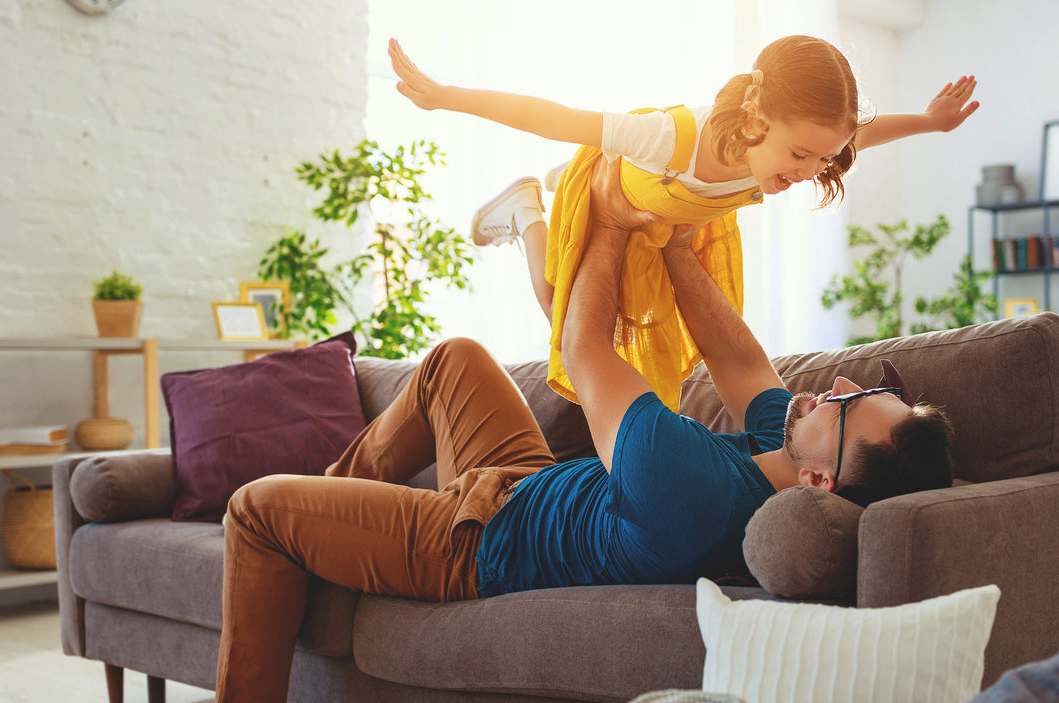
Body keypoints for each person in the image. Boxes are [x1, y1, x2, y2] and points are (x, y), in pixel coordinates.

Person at [215, 157, 955, 703]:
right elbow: (736, 356)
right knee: (452, 361)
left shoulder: (692, 490)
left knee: (254, 510)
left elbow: (584, 347)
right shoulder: (783, 449)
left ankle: (297, 533)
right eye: (861, 383)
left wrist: (609, 217)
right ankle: (327, 517)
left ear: (822, 482)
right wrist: (672, 242)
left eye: (852, 404)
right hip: (525, 482)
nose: (838, 386)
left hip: (473, 542)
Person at [389, 36, 979, 410]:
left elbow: (862, 136)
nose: (809, 171)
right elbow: (553, 115)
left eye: (823, 160)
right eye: (800, 155)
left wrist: (929, 121)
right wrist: (446, 96)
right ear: (754, 117)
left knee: (686, 334)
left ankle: (530, 205)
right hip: (608, 199)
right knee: (562, 316)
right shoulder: (669, 137)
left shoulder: (791, 151)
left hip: (677, 223)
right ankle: (525, 211)